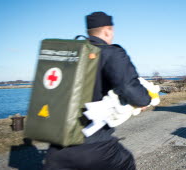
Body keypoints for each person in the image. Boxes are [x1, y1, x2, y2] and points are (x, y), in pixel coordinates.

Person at [43, 11, 151, 170]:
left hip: (57, 145)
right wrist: (144, 100)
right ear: (107, 30)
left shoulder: (72, 54)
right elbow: (130, 88)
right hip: (93, 143)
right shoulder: (111, 53)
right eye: (112, 30)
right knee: (125, 162)